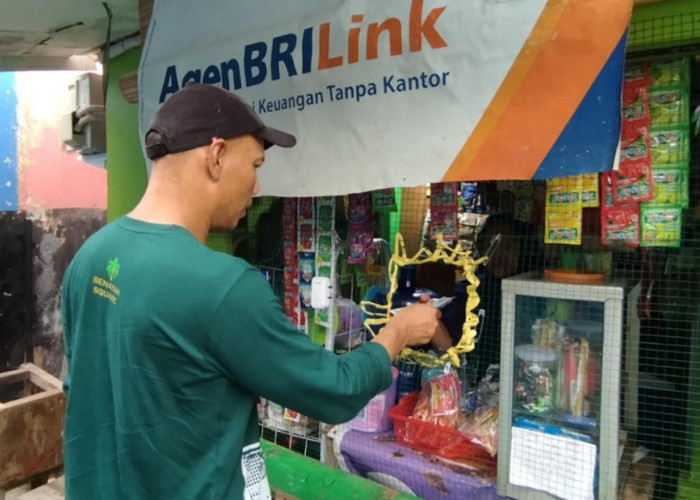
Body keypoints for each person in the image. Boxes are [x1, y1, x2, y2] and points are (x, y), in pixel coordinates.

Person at [60, 83, 442, 500]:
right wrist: (399, 332)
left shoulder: (91, 257)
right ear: (217, 156)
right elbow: (336, 390)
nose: (256, 187)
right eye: (256, 165)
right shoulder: (223, 285)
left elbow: (82, 390)